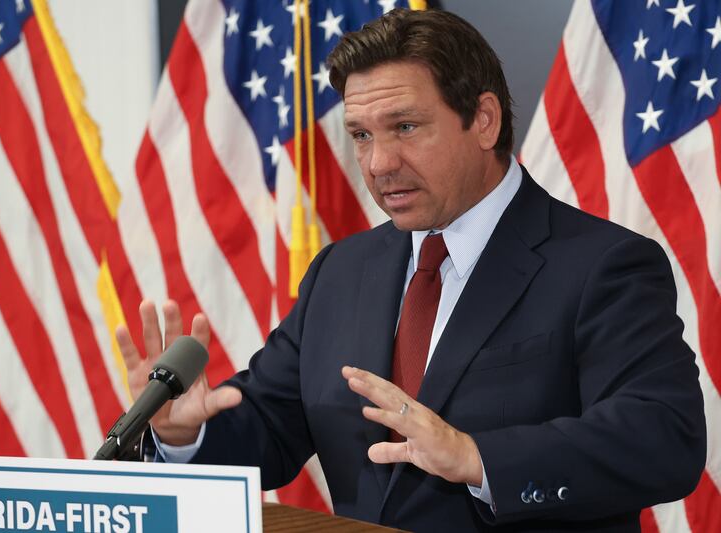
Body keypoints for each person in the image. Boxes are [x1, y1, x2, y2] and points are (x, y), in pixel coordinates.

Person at [116, 8, 706, 532]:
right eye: (361, 135)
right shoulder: (340, 272)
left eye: (404, 127)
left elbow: (664, 438)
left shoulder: (601, 264)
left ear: (484, 120)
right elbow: (268, 427)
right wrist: (181, 434)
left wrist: (475, 457)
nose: (379, 163)